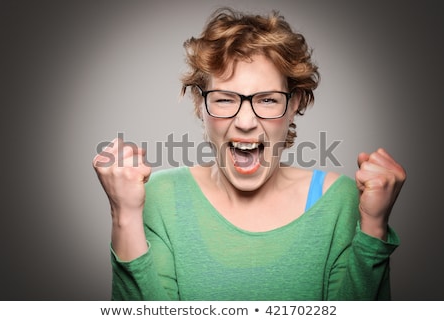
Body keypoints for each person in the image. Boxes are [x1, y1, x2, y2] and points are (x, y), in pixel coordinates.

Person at [92, 7, 406, 300]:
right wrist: (125, 215)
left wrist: (374, 226)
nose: (245, 122)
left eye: (267, 100)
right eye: (225, 99)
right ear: (200, 104)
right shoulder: (158, 197)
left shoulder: (341, 201)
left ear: (294, 103)